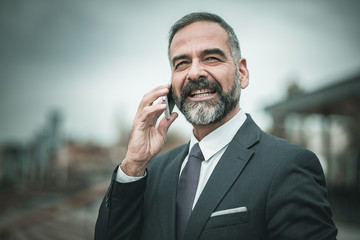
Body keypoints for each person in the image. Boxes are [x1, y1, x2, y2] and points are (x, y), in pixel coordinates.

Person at [95, 12, 338, 240]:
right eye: (181, 63)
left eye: (211, 58)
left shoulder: (289, 165)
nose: (194, 73)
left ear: (242, 73)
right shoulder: (151, 171)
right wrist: (134, 164)